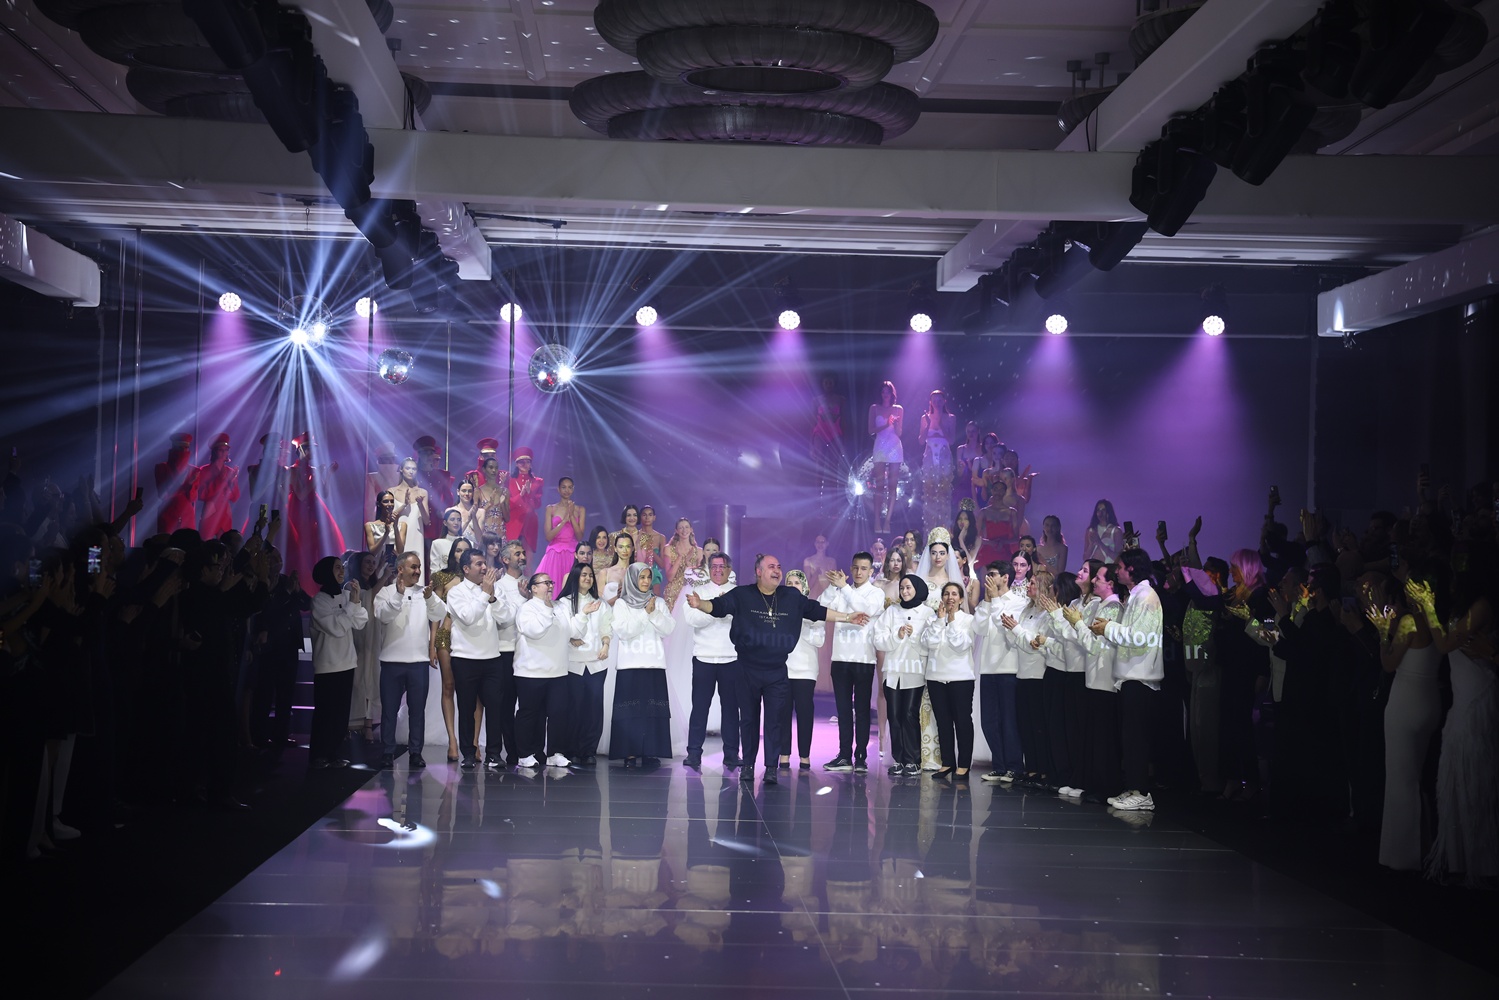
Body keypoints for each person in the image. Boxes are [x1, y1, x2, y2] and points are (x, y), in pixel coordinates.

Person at [686, 553, 871, 786]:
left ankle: (771, 768)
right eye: (771, 566)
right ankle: (748, 765)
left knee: (774, 720)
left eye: (779, 566)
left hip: (776, 670)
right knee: (749, 720)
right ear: (759, 572)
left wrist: (848, 617)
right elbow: (718, 607)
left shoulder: (790, 596)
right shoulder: (742, 594)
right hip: (747, 668)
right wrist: (700, 604)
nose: (777, 570)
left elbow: (817, 610)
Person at [1091, 548, 1164, 812]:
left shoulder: (1146, 596)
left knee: (1136, 739)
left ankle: (1142, 792)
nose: (1117, 571)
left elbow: (1139, 636)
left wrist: (1108, 628)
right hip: (1130, 676)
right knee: (1130, 739)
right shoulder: (1136, 596)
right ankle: (1133, 788)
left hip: (1141, 677)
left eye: (1120, 567)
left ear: (1132, 569)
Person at [444, 548, 518, 770]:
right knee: (466, 709)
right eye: (479, 564)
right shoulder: (456, 592)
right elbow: (468, 617)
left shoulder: (494, 589)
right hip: (465, 659)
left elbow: (506, 618)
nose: (485, 568)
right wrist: (485, 594)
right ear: (466, 569)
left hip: (492, 659)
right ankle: (468, 753)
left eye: (485, 563)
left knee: (495, 709)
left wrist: (492, 597)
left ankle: (494, 754)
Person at [372, 552, 445, 768]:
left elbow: (440, 613)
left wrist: (430, 598)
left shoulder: (425, 592)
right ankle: (387, 751)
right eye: (413, 567)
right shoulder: (386, 592)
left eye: (419, 567)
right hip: (392, 662)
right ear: (400, 569)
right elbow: (383, 616)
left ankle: (415, 752)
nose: (418, 571)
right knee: (389, 710)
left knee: (417, 711)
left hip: (418, 663)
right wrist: (398, 594)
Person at [820, 551, 885, 772]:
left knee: (862, 710)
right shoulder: (841, 590)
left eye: (864, 568)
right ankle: (845, 755)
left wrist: (844, 588)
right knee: (844, 710)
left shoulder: (876, 593)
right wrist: (833, 586)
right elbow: (821, 606)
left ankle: (861, 757)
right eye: (855, 567)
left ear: (871, 571)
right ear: (850, 568)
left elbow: (865, 609)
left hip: (864, 659)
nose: (858, 572)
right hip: (840, 658)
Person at [513, 570, 585, 770]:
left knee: (558, 714)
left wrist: (584, 615)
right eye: (545, 583)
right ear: (534, 588)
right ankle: (525, 754)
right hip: (531, 672)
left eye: (551, 582)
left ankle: (555, 753)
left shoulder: (560, 607)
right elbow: (535, 631)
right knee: (530, 715)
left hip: (558, 671)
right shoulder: (526, 609)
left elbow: (573, 631)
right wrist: (546, 609)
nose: (550, 586)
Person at [610, 562, 676, 766]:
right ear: (632, 579)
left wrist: (654, 613)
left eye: (648, 577)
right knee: (630, 712)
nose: (646, 581)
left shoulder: (658, 602)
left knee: (652, 712)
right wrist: (645, 613)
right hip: (629, 665)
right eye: (641, 577)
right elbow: (624, 631)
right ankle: (629, 753)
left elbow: (668, 629)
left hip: (654, 664)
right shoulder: (621, 604)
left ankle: (650, 752)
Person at [682, 551, 741, 769]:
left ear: (729, 569)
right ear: (708, 569)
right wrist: (716, 609)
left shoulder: (738, 593)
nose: (717, 570)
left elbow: (741, 620)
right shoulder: (698, 591)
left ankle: (732, 754)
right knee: (700, 707)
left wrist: (707, 607)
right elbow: (692, 619)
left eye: (721, 567)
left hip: (731, 658)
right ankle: (694, 753)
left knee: (731, 709)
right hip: (704, 657)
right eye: (714, 567)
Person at [310, 555, 368, 769]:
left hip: (347, 663)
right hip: (327, 665)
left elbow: (361, 621)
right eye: (336, 568)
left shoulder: (346, 595)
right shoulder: (319, 600)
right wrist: (351, 608)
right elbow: (335, 627)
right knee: (325, 712)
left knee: (341, 714)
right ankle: (318, 755)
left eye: (341, 567)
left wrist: (355, 601)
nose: (341, 571)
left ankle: (334, 753)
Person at [872, 574, 932, 776]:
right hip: (892, 671)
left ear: (917, 589)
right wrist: (896, 636)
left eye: (908, 588)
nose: (904, 592)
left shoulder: (927, 613)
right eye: (902, 588)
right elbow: (878, 639)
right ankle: (898, 759)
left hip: (914, 671)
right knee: (894, 715)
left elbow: (929, 644)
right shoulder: (891, 611)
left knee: (909, 714)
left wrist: (913, 636)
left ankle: (913, 760)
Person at [975, 562, 1026, 783]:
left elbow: (1006, 627)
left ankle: (1014, 766)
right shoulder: (987, 601)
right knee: (989, 720)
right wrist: (988, 601)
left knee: (1009, 721)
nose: (988, 578)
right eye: (987, 574)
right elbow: (979, 628)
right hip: (987, 667)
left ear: (1005, 578)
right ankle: (999, 765)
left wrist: (995, 600)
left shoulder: (1018, 602)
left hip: (1008, 667)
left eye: (992, 574)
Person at [559, 561, 611, 765]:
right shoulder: (564, 603)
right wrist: (570, 638)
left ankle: (589, 750)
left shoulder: (601, 603)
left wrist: (605, 644)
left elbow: (606, 627)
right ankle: (571, 749)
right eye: (584, 575)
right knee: (573, 708)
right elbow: (560, 628)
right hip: (573, 664)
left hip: (596, 664)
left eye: (590, 575)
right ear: (575, 577)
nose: (588, 578)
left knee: (593, 709)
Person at [923, 581, 976, 781]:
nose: (950, 597)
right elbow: (929, 643)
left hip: (960, 678)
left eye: (954, 594)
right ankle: (947, 762)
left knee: (962, 721)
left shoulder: (968, 620)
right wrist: (940, 621)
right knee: (943, 722)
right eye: (946, 594)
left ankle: (963, 764)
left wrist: (952, 622)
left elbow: (961, 645)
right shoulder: (933, 619)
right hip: (936, 677)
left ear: (961, 599)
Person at [285, 433, 344, 595]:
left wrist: (328, 474)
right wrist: (316, 478)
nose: (313, 452)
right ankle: (299, 586)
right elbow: (300, 494)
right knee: (300, 550)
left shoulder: (314, 470)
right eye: (309, 449)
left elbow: (324, 493)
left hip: (314, 513)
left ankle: (314, 586)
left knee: (315, 549)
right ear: (301, 450)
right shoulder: (292, 470)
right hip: (298, 514)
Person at [779, 570, 826, 770]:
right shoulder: (779, 608)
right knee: (783, 713)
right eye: (789, 583)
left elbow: (819, 640)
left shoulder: (813, 609)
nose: (793, 586)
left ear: (804, 587)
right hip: (783, 667)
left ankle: (805, 755)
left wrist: (801, 622)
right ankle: (784, 754)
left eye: (797, 583)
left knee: (805, 712)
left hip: (806, 669)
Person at [917, 389, 957, 533]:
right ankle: (929, 529)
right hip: (929, 455)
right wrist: (928, 424)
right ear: (931, 402)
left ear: (944, 401)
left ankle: (944, 529)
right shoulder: (925, 418)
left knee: (944, 492)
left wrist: (940, 423)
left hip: (944, 455)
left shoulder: (950, 417)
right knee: (930, 492)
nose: (937, 403)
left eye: (940, 400)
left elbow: (951, 440)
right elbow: (921, 441)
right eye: (935, 401)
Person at [534, 476, 585, 585]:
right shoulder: (551, 508)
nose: (567, 490)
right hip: (555, 553)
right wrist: (564, 521)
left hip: (572, 552)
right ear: (558, 489)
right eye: (564, 487)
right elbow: (548, 537)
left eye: (570, 487)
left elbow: (580, 536)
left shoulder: (580, 510)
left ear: (573, 489)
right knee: (551, 584)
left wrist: (571, 515)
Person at [868, 381, 903, 533]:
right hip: (880, 446)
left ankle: (887, 521)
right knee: (879, 485)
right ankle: (877, 520)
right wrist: (886, 424)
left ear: (892, 393)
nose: (885, 395)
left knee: (892, 486)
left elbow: (899, 433)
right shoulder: (874, 408)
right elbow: (870, 430)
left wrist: (895, 425)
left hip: (894, 447)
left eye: (888, 392)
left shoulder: (898, 409)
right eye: (883, 392)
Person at [391, 456, 431, 577]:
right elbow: (390, 517)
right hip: (397, 533)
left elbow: (426, 521)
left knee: (414, 566)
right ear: (401, 469)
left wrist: (420, 504)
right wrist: (404, 505)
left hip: (416, 533)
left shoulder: (422, 492)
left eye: (414, 469)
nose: (411, 471)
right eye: (408, 468)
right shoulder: (392, 491)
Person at [196, 433, 240, 538]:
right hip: (210, 511)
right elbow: (202, 495)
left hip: (225, 512)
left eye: (226, 450)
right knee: (205, 541)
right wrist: (222, 480)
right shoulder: (204, 470)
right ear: (215, 451)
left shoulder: (230, 471)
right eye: (221, 450)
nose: (224, 452)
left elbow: (235, 497)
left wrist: (231, 482)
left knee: (225, 542)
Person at [413, 435, 455, 543]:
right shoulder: (413, 474)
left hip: (437, 519)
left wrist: (444, 511)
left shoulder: (442, 475)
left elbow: (448, 498)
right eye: (425, 453)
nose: (429, 456)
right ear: (419, 454)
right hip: (417, 516)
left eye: (431, 453)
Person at [154, 432, 199, 534]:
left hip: (187, 514)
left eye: (186, 448)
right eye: (180, 448)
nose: (183, 451)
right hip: (168, 513)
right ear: (173, 448)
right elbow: (163, 495)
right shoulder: (162, 467)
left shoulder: (194, 471)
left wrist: (190, 486)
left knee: (187, 541)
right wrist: (186, 485)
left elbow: (193, 497)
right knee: (167, 540)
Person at [506, 447, 544, 556]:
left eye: (528, 462)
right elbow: (507, 504)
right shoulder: (510, 480)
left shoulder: (537, 481)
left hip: (529, 522)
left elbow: (538, 504)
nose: (525, 464)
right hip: (513, 521)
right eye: (521, 462)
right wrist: (521, 495)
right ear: (516, 464)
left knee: (527, 555)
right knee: (512, 554)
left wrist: (529, 494)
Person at [662, 517, 701, 609]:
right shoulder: (668, 549)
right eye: (681, 528)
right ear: (676, 531)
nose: (684, 530)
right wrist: (679, 557)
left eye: (687, 527)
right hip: (673, 594)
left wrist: (688, 562)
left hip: (691, 593)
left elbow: (698, 578)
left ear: (691, 529)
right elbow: (669, 577)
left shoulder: (699, 551)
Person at [475, 454, 509, 542]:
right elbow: (475, 517)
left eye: (496, 468)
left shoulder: (504, 491)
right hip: (484, 536)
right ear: (484, 469)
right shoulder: (478, 491)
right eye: (490, 467)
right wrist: (489, 505)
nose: (494, 470)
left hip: (500, 537)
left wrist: (502, 504)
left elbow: (507, 519)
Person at [364, 489, 407, 558]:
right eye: (386, 501)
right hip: (377, 562)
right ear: (378, 504)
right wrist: (386, 533)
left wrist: (395, 527)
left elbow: (400, 551)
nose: (390, 504)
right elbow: (372, 552)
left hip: (394, 563)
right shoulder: (370, 526)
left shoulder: (402, 525)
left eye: (392, 501)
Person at [428, 507, 466, 581]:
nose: (456, 523)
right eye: (452, 519)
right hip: (444, 583)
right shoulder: (437, 543)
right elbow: (434, 570)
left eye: (459, 520)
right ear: (445, 523)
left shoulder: (467, 543)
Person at [1083, 499, 1125, 564]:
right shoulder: (1091, 530)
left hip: (1108, 567)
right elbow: (1085, 557)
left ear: (1108, 512)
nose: (1100, 513)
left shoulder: (1116, 531)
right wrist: (1091, 544)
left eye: (1103, 510)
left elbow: (1118, 557)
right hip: (1092, 567)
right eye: (1098, 510)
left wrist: (1099, 542)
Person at [801, 534, 837, 600]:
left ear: (827, 543)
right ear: (815, 544)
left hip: (828, 598)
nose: (820, 544)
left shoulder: (832, 561)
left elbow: (834, 583)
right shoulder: (808, 561)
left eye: (823, 542)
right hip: (814, 598)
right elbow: (807, 586)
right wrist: (816, 573)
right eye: (818, 542)